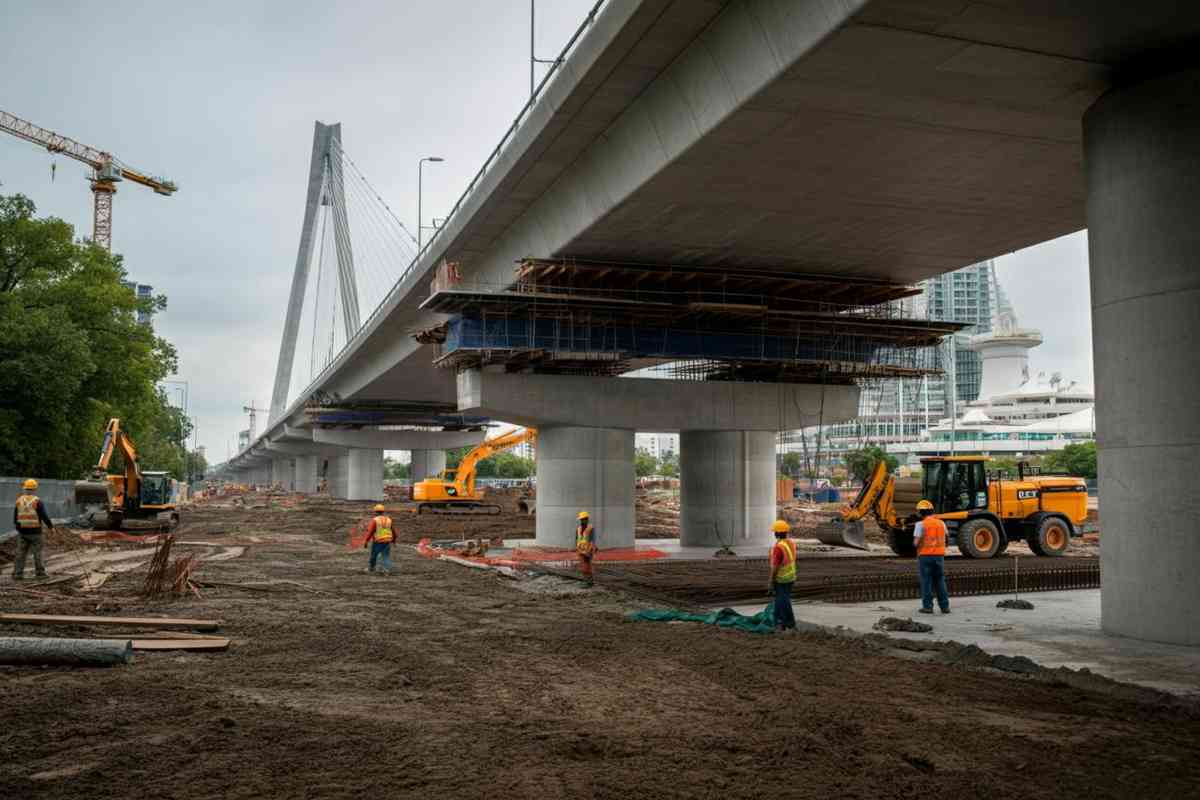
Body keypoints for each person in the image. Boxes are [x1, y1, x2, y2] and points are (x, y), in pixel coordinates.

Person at [913, 499, 950, 614]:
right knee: (940, 580)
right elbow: (947, 539)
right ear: (932, 511)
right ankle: (945, 607)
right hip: (939, 556)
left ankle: (928, 607)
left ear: (920, 512)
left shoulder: (920, 524)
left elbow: (915, 543)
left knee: (926, 581)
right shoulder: (941, 523)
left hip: (925, 557)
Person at [13, 479, 53, 581]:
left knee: (20, 553)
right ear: (35, 489)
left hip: (22, 531)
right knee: (37, 553)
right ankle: (40, 574)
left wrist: (18, 528)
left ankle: (18, 574)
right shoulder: (37, 501)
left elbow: (15, 517)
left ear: (25, 488)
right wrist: (50, 527)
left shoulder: (19, 501)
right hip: (35, 532)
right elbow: (44, 516)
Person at [768, 519, 797, 631]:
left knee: (782, 600)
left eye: (775, 531)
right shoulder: (790, 543)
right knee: (783, 599)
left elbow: (775, 567)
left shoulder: (779, 547)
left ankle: (785, 623)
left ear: (778, 533)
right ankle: (784, 623)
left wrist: (770, 581)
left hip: (782, 578)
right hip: (791, 576)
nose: (774, 533)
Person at [362, 503, 394, 575]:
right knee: (385, 556)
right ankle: (386, 570)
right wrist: (394, 539)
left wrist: (366, 541)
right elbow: (393, 531)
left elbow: (370, 532)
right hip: (387, 540)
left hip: (378, 541)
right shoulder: (389, 519)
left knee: (374, 555)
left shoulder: (375, 520)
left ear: (375, 512)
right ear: (383, 511)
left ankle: (371, 568)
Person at [575, 511, 596, 586]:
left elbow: (593, 540)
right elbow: (577, 539)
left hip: (588, 551)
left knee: (587, 566)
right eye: (581, 519)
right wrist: (576, 548)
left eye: (583, 519)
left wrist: (591, 551)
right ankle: (587, 581)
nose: (582, 521)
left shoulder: (590, 528)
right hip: (580, 550)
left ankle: (589, 582)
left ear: (587, 519)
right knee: (583, 567)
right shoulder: (578, 529)